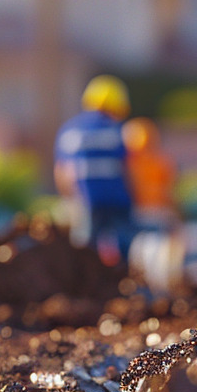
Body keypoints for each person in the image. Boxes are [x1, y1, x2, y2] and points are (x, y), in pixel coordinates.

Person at [54, 75, 134, 262]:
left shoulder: (70, 130)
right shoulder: (116, 131)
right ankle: (126, 284)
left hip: (86, 201)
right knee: (125, 248)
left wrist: (70, 200)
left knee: (85, 250)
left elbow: (62, 172)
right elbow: (128, 168)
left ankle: (83, 286)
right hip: (118, 202)